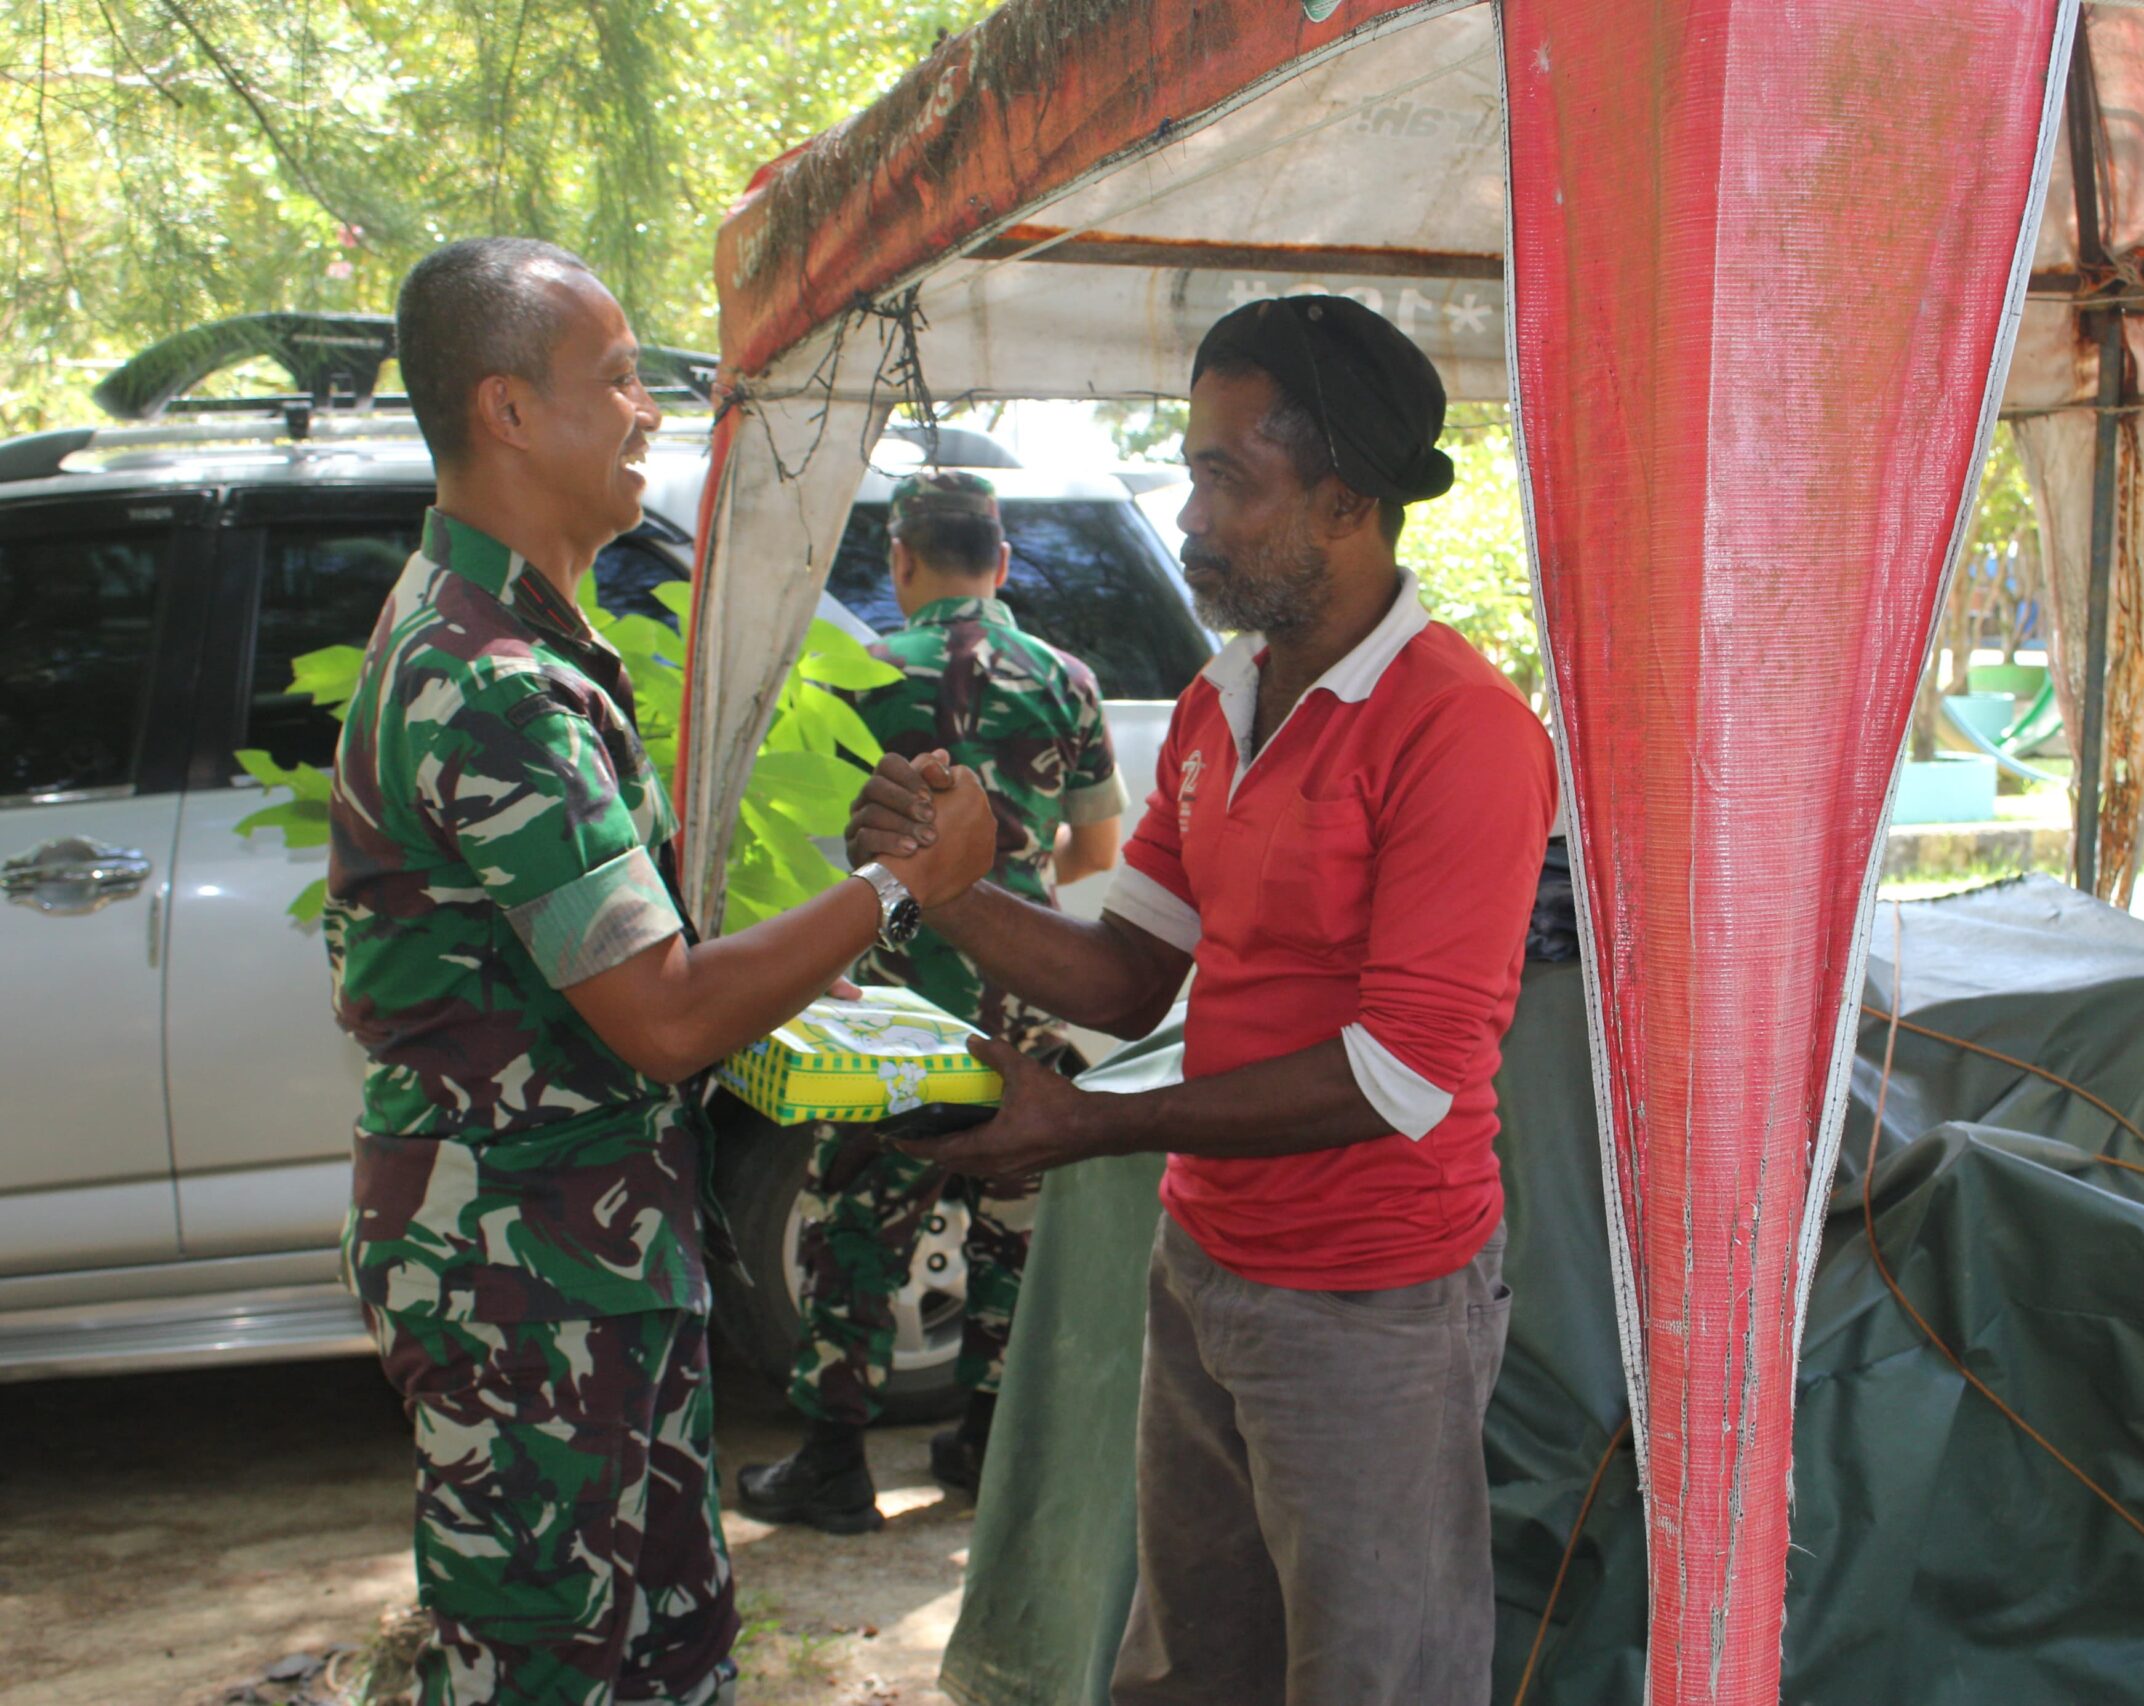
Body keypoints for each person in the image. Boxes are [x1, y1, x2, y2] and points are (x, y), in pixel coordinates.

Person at [850, 295, 1558, 1706]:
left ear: (1347, 499)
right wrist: (943, 883)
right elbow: (1129, 971)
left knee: (1376, 1680)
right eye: (1193, 468)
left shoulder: (1462, 732)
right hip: (1207, 1267)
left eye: (1228, 477)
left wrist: (1092, 1125)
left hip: (1372, 1302)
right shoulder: (1219, 698)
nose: (1189, 514)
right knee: (1189, 1669)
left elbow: (1402, 1073)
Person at [326, 237, 994, 1706]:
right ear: (506, 411)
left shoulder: (521, 638)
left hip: (582, 1257)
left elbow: (653, 968)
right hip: (528, 1280)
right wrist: (897, 887)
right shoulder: (492, 681)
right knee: (552, 1668)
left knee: (664, 1650)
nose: (650, 411)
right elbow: (667, 1011)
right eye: (619, 378)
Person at [736, 470, 1124, 1531]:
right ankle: (985, 1439)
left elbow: (812, 837)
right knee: (1014, 1221)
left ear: (900, 561)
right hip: (1024, 997)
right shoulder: (1066, 678)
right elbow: (1096, 846)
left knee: (857, 1217)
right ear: (999, 563)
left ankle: (831, 1461)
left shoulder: (858, 671)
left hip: (897, 1002)